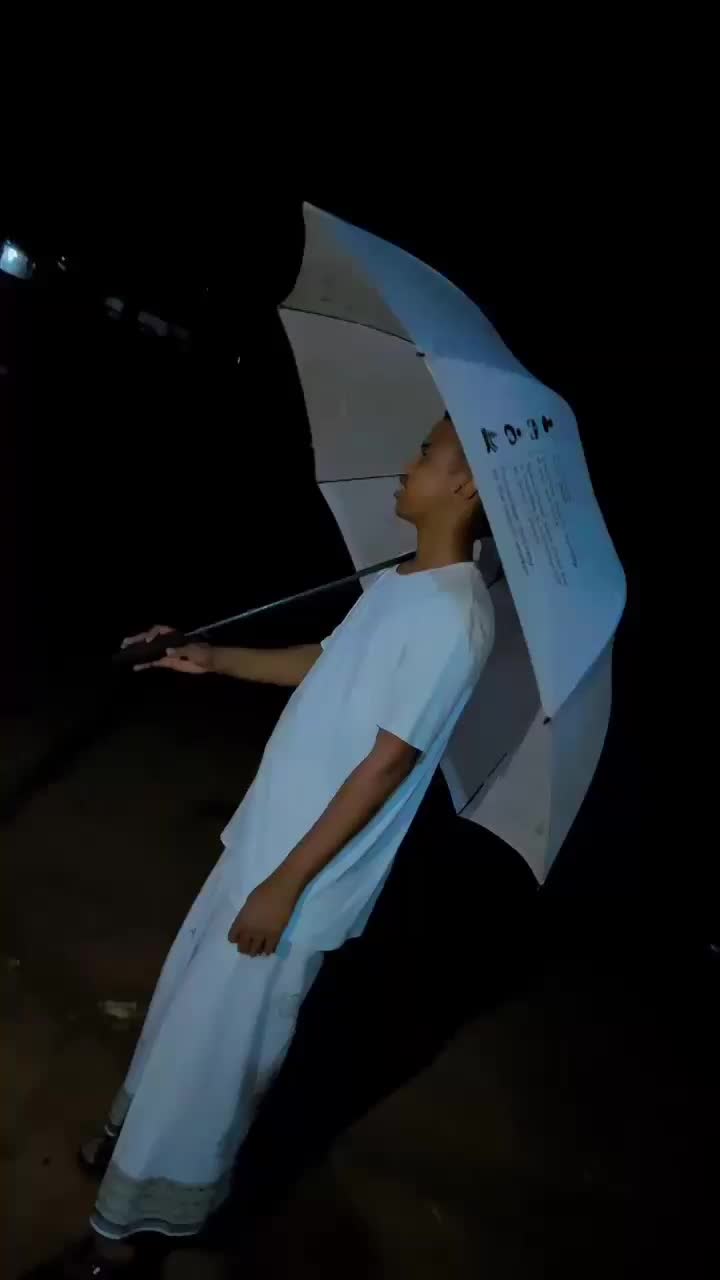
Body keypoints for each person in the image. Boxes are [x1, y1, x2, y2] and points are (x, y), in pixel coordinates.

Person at [27, 412, 496, 1278]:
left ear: (465, 486)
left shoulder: (456, 619)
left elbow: (388, 764)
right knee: (184, 1014)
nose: (408, 464)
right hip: (264, 843)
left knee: (211, 1057)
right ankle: (131, 1155)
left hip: (298, 879)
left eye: (427, 454)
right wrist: (212, 657)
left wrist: (284, 887)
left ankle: (125, 1234)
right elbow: (323, 664)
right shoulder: (404, 582)